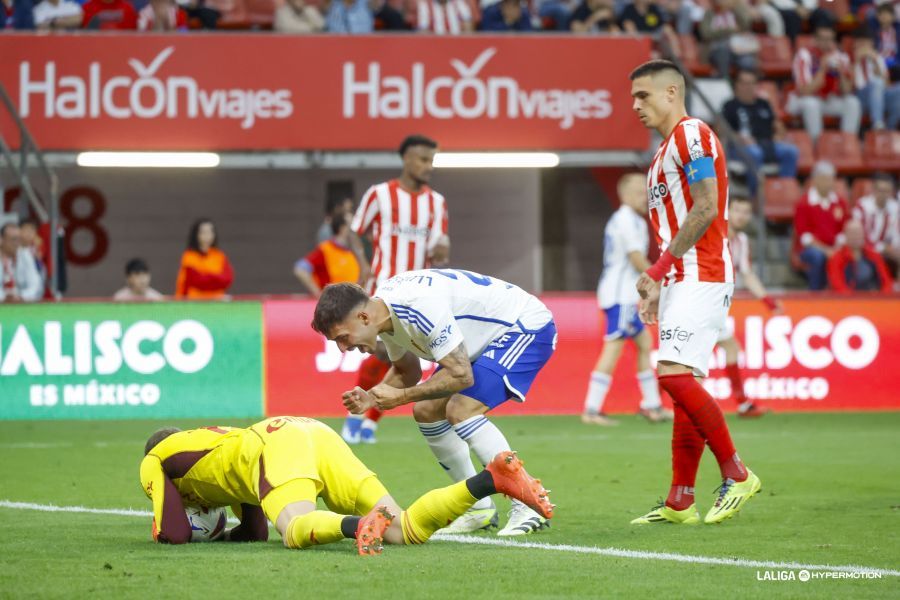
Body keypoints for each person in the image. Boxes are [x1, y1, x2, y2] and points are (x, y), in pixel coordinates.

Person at [313, 270, 555, 536]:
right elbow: (408, 372)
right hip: (481, 340)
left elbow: (461, 375)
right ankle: (479, 509)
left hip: (523, 326)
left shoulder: (416, 307)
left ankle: (527, 503)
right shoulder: (384, 314)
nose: (343, 348)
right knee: (426, 411)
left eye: (342, 337)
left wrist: (401, 397)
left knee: (461, 409)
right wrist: (372, 397)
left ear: (363, 317)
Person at [628, 59, 761, 526]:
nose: (635, 105)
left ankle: (737, 472)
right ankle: (680, 501)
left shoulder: (693, 134)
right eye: (632, 98)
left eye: (643, 95)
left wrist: (660, 268)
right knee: (684, 383)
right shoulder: (663, 153)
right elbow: (672, 225)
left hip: (701, 270)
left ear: (671, 92)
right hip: (683, 276)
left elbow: (706, 206)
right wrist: (660, 286)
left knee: (671, 377)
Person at [140, 416, 553, 552]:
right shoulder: (213, 453)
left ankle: (356, 525)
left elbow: (172, 533)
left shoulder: (156, 459)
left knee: (296, 530)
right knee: (402, 528)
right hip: (310, 431)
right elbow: (253, 529)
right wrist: (225, 533)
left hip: (274, 445)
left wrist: (184, 521)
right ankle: (491, 478)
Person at [340, 134, 450, 446]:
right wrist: (362, 264)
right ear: (406, 159)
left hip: (418, 299)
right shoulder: (380, 194)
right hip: (382, 293)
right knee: (381, 354)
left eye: (431, 160)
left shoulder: (437, 203)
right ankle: (357, 417)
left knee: (404, 363)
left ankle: (369, 421)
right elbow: (354, 232)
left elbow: (440, 246)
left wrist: (443, 249)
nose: (428, 166)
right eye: (422, 159)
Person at [582, 173, 673, 427]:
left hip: (624, 294)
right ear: (624, 194)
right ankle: (591, 409)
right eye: (638, 192)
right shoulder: (626, 220)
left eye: (645, 191)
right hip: (620, 295)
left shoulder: (633, 220)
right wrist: (659, 281)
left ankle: (652, 406)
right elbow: (635, 259)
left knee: (644, 343)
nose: (644, 196)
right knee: (613, 346)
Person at [714, 196, 780, 418]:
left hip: (716, 306)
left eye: (746, 212)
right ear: (727, 211)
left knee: (729, 349)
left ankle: (742, 404)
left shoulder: (741, 240)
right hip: (701, 303)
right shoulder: (713, 235)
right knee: (694, 357)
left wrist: (767, 301)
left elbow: (748, 275)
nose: (741, 215)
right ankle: (655, 402)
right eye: (737, 210)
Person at [721, 69, 799, 197]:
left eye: (752, 83)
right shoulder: (730, 106)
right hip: (742, 147)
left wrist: (779, 133)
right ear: (737, 85)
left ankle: (784, 193)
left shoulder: (763, 104)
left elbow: (777, 125)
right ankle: (756, 196)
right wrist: (739, 138)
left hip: (767, 144)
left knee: (791, 151)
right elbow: (723, 131)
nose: (748, 87)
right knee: (754, 153)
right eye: (745, 83)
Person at [787, 24, 862, 142]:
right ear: (815, 40)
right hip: (801, 100)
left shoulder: (840, 57)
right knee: (811, 104)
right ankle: (817, 144)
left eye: (830, 39)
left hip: (827, 100)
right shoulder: (804, 55)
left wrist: (841, 73)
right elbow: (804, 91)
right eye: (823, 39)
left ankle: (848, 142)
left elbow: (846, 91)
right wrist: (823, 68)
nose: (827, 43)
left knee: (853, 102)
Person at [792, 160, 850, 291]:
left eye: (831, 179)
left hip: (835, 247)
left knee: (850, 254)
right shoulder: (804, 203)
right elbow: (804, 237)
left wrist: (836, 248)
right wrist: (826, 250)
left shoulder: (840, 202)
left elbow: (843, 231)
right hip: (809, 249)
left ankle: (845, 293)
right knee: (817, 257)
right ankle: (815, 292)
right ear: (815, 180)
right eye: (825, 179)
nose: (829, 183)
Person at [294, 215, 360, 298]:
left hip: (351, 303)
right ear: (342, 228)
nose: (357, 230)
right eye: (352, 226)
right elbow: (300, 269)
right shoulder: (326, 249)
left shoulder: (353, 251)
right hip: (333, 304)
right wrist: (319, 295)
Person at [852, 26, 900, 130]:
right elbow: (850, 86)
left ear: (871, 44)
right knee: (877, 83)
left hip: (879, 97)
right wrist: (856, 62)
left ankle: (890, 128)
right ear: (855, 43)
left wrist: (876, 63)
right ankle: (877, 124)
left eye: (866, 43)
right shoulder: (848, 56)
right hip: (859, 97)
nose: (863, 46)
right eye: (860, 42)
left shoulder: (877, 57)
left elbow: (886, 85)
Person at [827, 220, 894, 292]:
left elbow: (887, 282)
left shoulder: (874, 256)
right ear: (845, 236)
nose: (856, 237)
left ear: (863, 235)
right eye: (852, 233)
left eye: (858, 233)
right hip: (848, 300)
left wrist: (881, 297)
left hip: (875, 298)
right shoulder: (836, 258)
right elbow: (838, 285)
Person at [175, 218, 234, 299]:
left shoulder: (219, 256)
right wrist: (216, 278)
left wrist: (208, 276)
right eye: (203, 232)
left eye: (210, 232)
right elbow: (198, 281)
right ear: (196, 235)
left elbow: (227, 279)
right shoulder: (189, 256)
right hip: (194, 302)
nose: (207, 235)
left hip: (216, 301)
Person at [853, 172, 899, 276]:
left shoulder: (895, 208)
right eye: (880, 190)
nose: (883, 194)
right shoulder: (862, 207)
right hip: (864, 250)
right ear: (873, 190)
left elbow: (896, 234)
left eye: (887, 191)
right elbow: (860, 238)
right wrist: (883, 248)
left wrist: (895, 248)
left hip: (887, 250)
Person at [699, 0, 758, 78]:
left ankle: (744, 85)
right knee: (723, 49)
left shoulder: (735, 11)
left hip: (737, 49)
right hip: (716, 48)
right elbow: (705, 33)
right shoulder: (709, 13)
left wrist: (735, 8)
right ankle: (724, 80)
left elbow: (746, 25)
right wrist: (728, 30)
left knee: (748, 61)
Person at [0, 222, 43, 303]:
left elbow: (35, 285)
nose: (16, 244)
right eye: (13, 240)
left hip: (21, 305)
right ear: (1, 240)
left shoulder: (25, 254)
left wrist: (21, 297)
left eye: (19, 240)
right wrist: (4, 298)